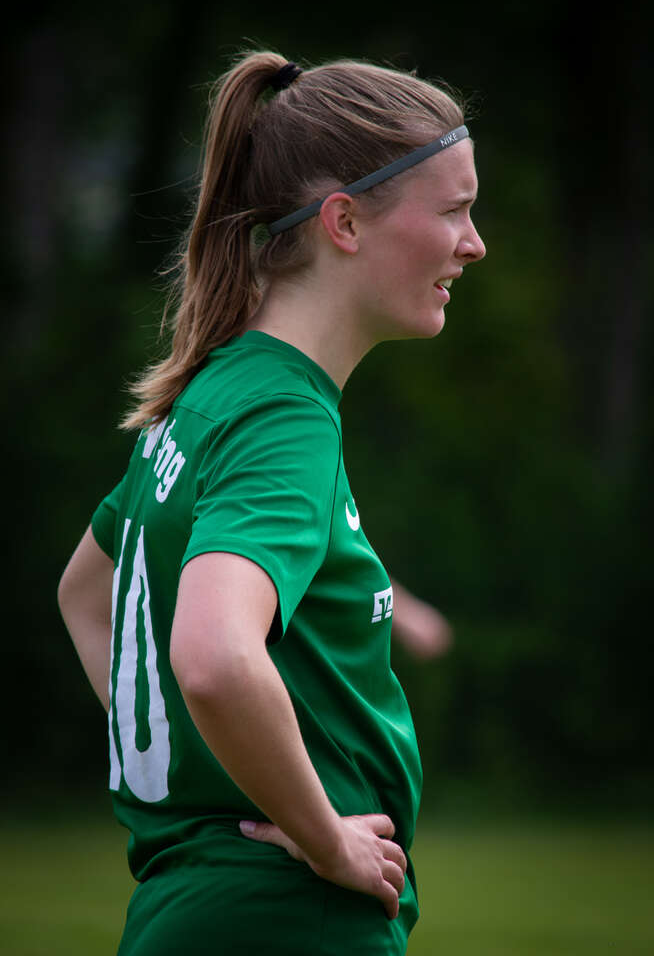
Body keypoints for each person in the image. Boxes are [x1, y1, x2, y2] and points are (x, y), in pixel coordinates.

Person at [57, 50, 485, 955]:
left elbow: (86, 598)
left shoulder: (215, 390)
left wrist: (220, 781)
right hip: (285, 917)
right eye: (453, 211)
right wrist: (325, 837)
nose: (473, 242)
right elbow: (211, 657)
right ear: (343, 223)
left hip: (197, 911)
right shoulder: (280, 417)